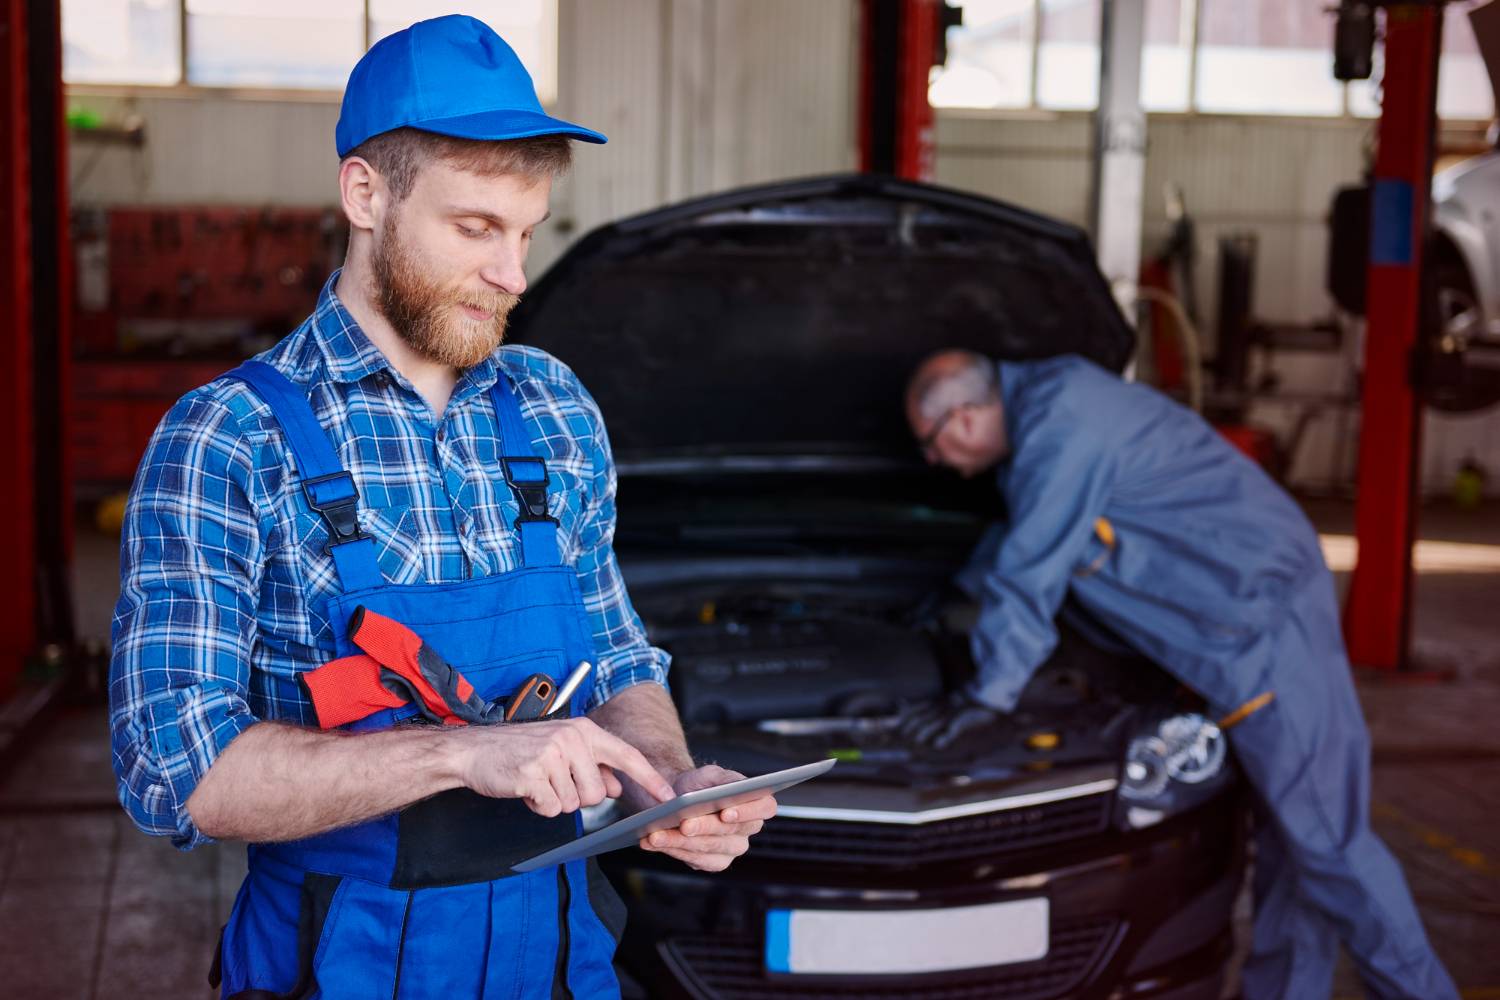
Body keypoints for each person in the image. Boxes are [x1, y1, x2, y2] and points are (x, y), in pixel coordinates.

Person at [109, 16, 775, 998]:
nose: (513, 274)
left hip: (559, 958)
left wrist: (664, 783)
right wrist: (467, 751)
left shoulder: (555, 407)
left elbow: (619, 651)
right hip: (344, 961)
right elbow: (175, 765)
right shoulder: (227, 438)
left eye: (524, 233)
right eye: (475, 229)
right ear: (366, 194)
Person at [902, 349, 1456, 1000]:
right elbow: (1023, 536)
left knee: (1332, 851)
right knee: (1293, 851)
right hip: (1236, 630)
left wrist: (988, 698)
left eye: (930, 444)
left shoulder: (1062, 424)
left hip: (1261, 635)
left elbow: (1031, 570)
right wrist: (939, 605)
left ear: (963, 418)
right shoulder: (1052, 417)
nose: (934, 461)